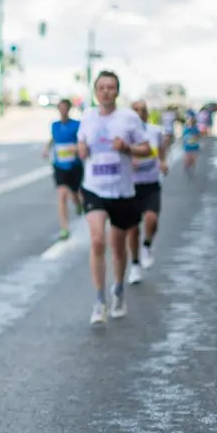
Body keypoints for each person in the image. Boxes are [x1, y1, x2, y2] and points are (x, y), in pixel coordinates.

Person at [77, 71, 151, 323]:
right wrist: (81, 149)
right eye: (102, 87)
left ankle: (118, 289)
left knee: (118, 247)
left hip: (121, 190)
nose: (106, 91)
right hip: (94, 188)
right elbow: (81, 146)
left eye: (111, 87)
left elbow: (146, 149)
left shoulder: (128, 118)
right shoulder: (87, 117)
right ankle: (99, 300)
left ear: (117, 91)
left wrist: (127, 148)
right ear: (95, 91)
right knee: (98, 241)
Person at [126, 99, 169, 284]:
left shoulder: (154, 131)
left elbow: (161, 151)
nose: (139, 113)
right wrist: (128, 163)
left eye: (142, 110)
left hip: (151, 183)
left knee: (152, 220)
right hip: (131, 186)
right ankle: (135, 265)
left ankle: (147, 244)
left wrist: (163, 163)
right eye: (135, 110)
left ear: (146, 113)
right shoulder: (125, 133)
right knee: (133, 228)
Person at [42, 98, 83, 240]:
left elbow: (83, 141)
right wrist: (46, 148)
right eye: (60, 108)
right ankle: (64, 228)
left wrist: (76, 148)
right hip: (59, 165)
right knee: (62, 195)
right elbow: (53, 138)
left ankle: (78, 204)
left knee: (75, 194)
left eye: (65, 108)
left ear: (69, 109)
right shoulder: (55, 125)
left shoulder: (77, 125)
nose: (63, 111)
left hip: (74, 165)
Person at [182, 110, 201, 175]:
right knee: (187, 158)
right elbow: (184, 136)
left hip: (194, 146)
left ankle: (192, 169)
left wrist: (195, 138)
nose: (189, 120)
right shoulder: (185, 128)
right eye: (188, 119)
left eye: (190, 119)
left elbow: (198, 135)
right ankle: (186, 166)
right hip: (187, 146)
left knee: (193, 158)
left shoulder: (195, 128)